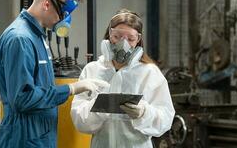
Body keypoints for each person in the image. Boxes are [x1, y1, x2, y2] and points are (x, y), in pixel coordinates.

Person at [0, 0, 108, 148]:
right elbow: (22, 99)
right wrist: (71, 89)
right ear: (47, 4)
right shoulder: (20, 39)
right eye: (63, 12)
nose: (64, 19)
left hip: (39, 137)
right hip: (23, 139)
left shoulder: (37, 36)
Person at [70, 9, 175, 148]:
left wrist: (144, 113)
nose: (123, 44)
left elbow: (165, 119)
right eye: (117, 37)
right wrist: (98, 106)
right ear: (109, 36)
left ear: (138, 40)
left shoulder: (149, 73)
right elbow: (78, 120)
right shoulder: (92, 70)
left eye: (130, 39)